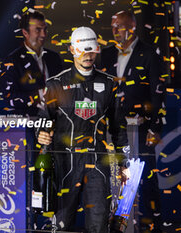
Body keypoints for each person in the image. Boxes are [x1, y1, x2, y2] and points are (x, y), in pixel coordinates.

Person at [37, 27, 130, 233]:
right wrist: (41, 133)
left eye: (91, 51)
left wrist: (124, 163)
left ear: (97, 50)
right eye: (82, 51)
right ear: (72, 50)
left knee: (98, 226)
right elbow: (42, 121)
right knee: (61, 226)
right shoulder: (56, 84)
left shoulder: (109, 84)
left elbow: (118, 128)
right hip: (64, 164)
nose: (87, 55)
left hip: (97, 165)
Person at [100, 11, 166, 232]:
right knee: (116, 180)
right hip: (112, 129)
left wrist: (155, 127)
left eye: (119, 26)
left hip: (141, 129)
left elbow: (158, 95)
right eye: (113, 26)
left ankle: (152, 227)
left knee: (146, 181)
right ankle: (116, 226)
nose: (115, 30)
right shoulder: (107, 54)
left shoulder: (149, 55)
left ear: (132, 27)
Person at [3, 10, 65, 116]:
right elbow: (9, 97)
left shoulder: (54, 57)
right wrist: (39, 95)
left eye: (45, 29)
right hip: (29, 122)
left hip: (57, 121)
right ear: (25, 32)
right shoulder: (12, 61)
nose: (43, 34)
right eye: (38, 30)